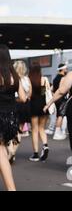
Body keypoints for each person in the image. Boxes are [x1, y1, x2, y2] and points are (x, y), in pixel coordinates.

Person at [0, 45, 26, 190]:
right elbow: (22, 98)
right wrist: (10, 100)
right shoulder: (14, 76)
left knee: (1, 153)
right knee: (2, 150)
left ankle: (11, 189)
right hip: (10, 119)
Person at [8, 60, 31, 163]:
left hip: (13, 104)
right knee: (20, 131)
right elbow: (29, 94)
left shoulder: (11, 78)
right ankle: (13, 152)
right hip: (24, 106)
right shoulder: (27, 79)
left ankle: (10, 151)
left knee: (10, 128)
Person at [28, 64, 52, 162]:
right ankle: (45, 146)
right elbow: (44, 93)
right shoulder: (44, 79)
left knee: (34, 129)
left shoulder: (29, 80)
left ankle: (36, 154)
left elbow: (29, 94)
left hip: (33, 106)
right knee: (42, 128)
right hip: (43, 106)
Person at [51, 63, 68, 140]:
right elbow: (62, 89)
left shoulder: (55, 78)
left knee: (59, 115)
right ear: (63, 69)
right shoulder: (63, 78)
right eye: (66, 68)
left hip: (56, 98)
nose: (66, 70)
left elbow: (53, 89)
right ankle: (57, 133)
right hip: (61, 98)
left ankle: (59, 132)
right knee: (61, 115)